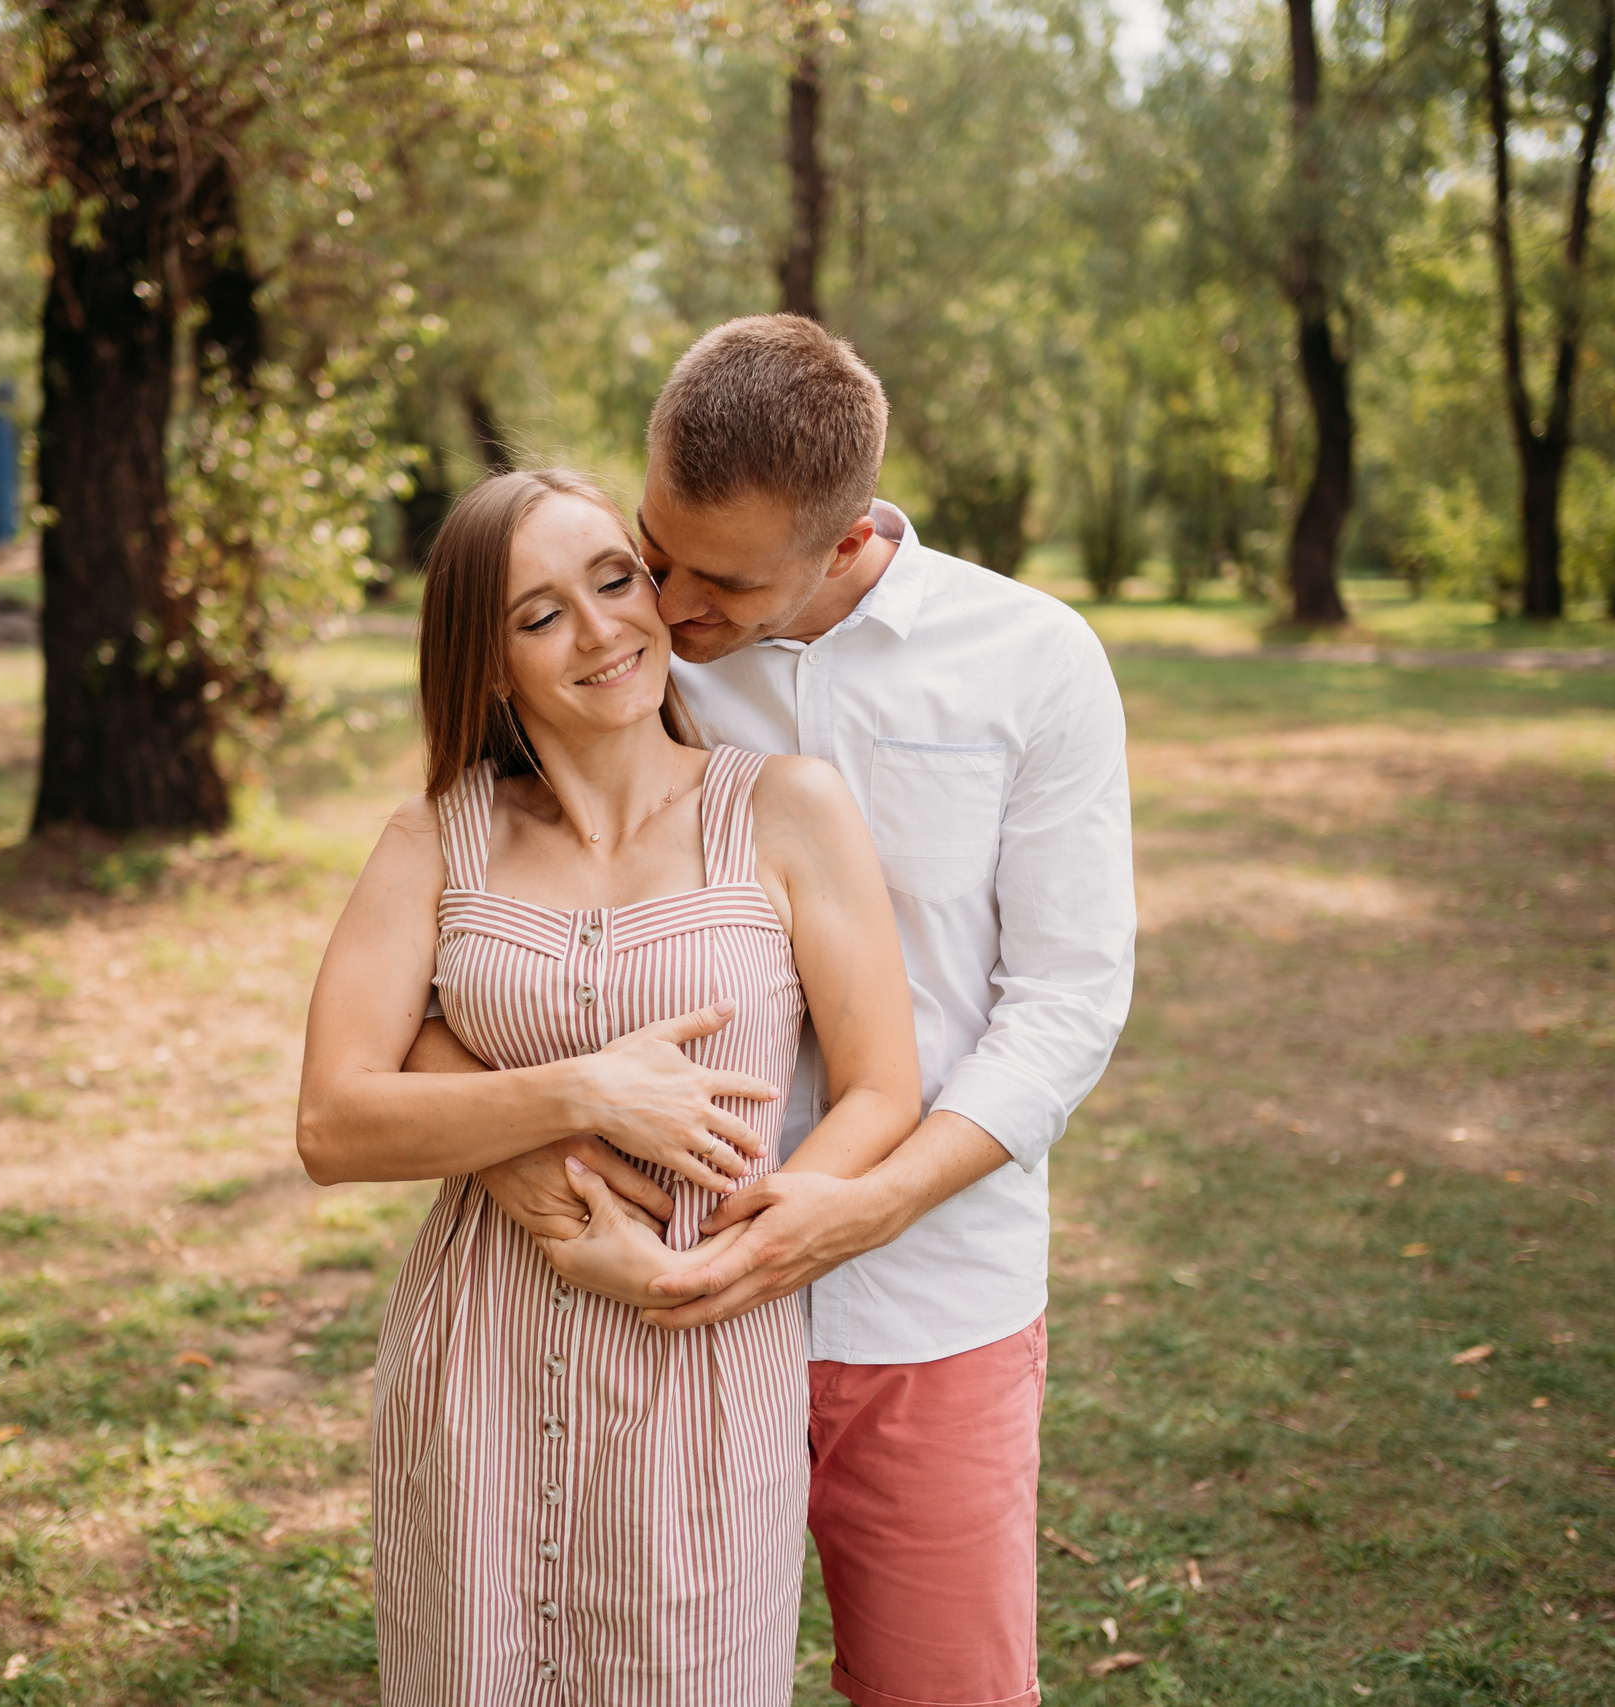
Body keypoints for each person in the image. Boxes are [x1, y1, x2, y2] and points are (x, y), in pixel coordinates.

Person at [401, 317, 1138, 1707]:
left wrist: (869, 1201)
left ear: (849, 538)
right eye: (650, 547)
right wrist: (535, 1164)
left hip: (924, 1298)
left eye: (719, 581)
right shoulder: (621, 641)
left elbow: (1068, 1000)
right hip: (632, 1297)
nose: (664, 606)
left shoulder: (1031, 661)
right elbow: (455, 931)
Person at [295, 466, 924, 1703]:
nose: (601, 632)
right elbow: (333, 1120)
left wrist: (713, 1268)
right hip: (476, 1356)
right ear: (487, 664)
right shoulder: (437, 838)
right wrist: (580, 1093)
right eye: (539, 616)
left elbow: (879, 1093)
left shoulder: (785, 810)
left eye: (613, 579)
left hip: (700, 1362)